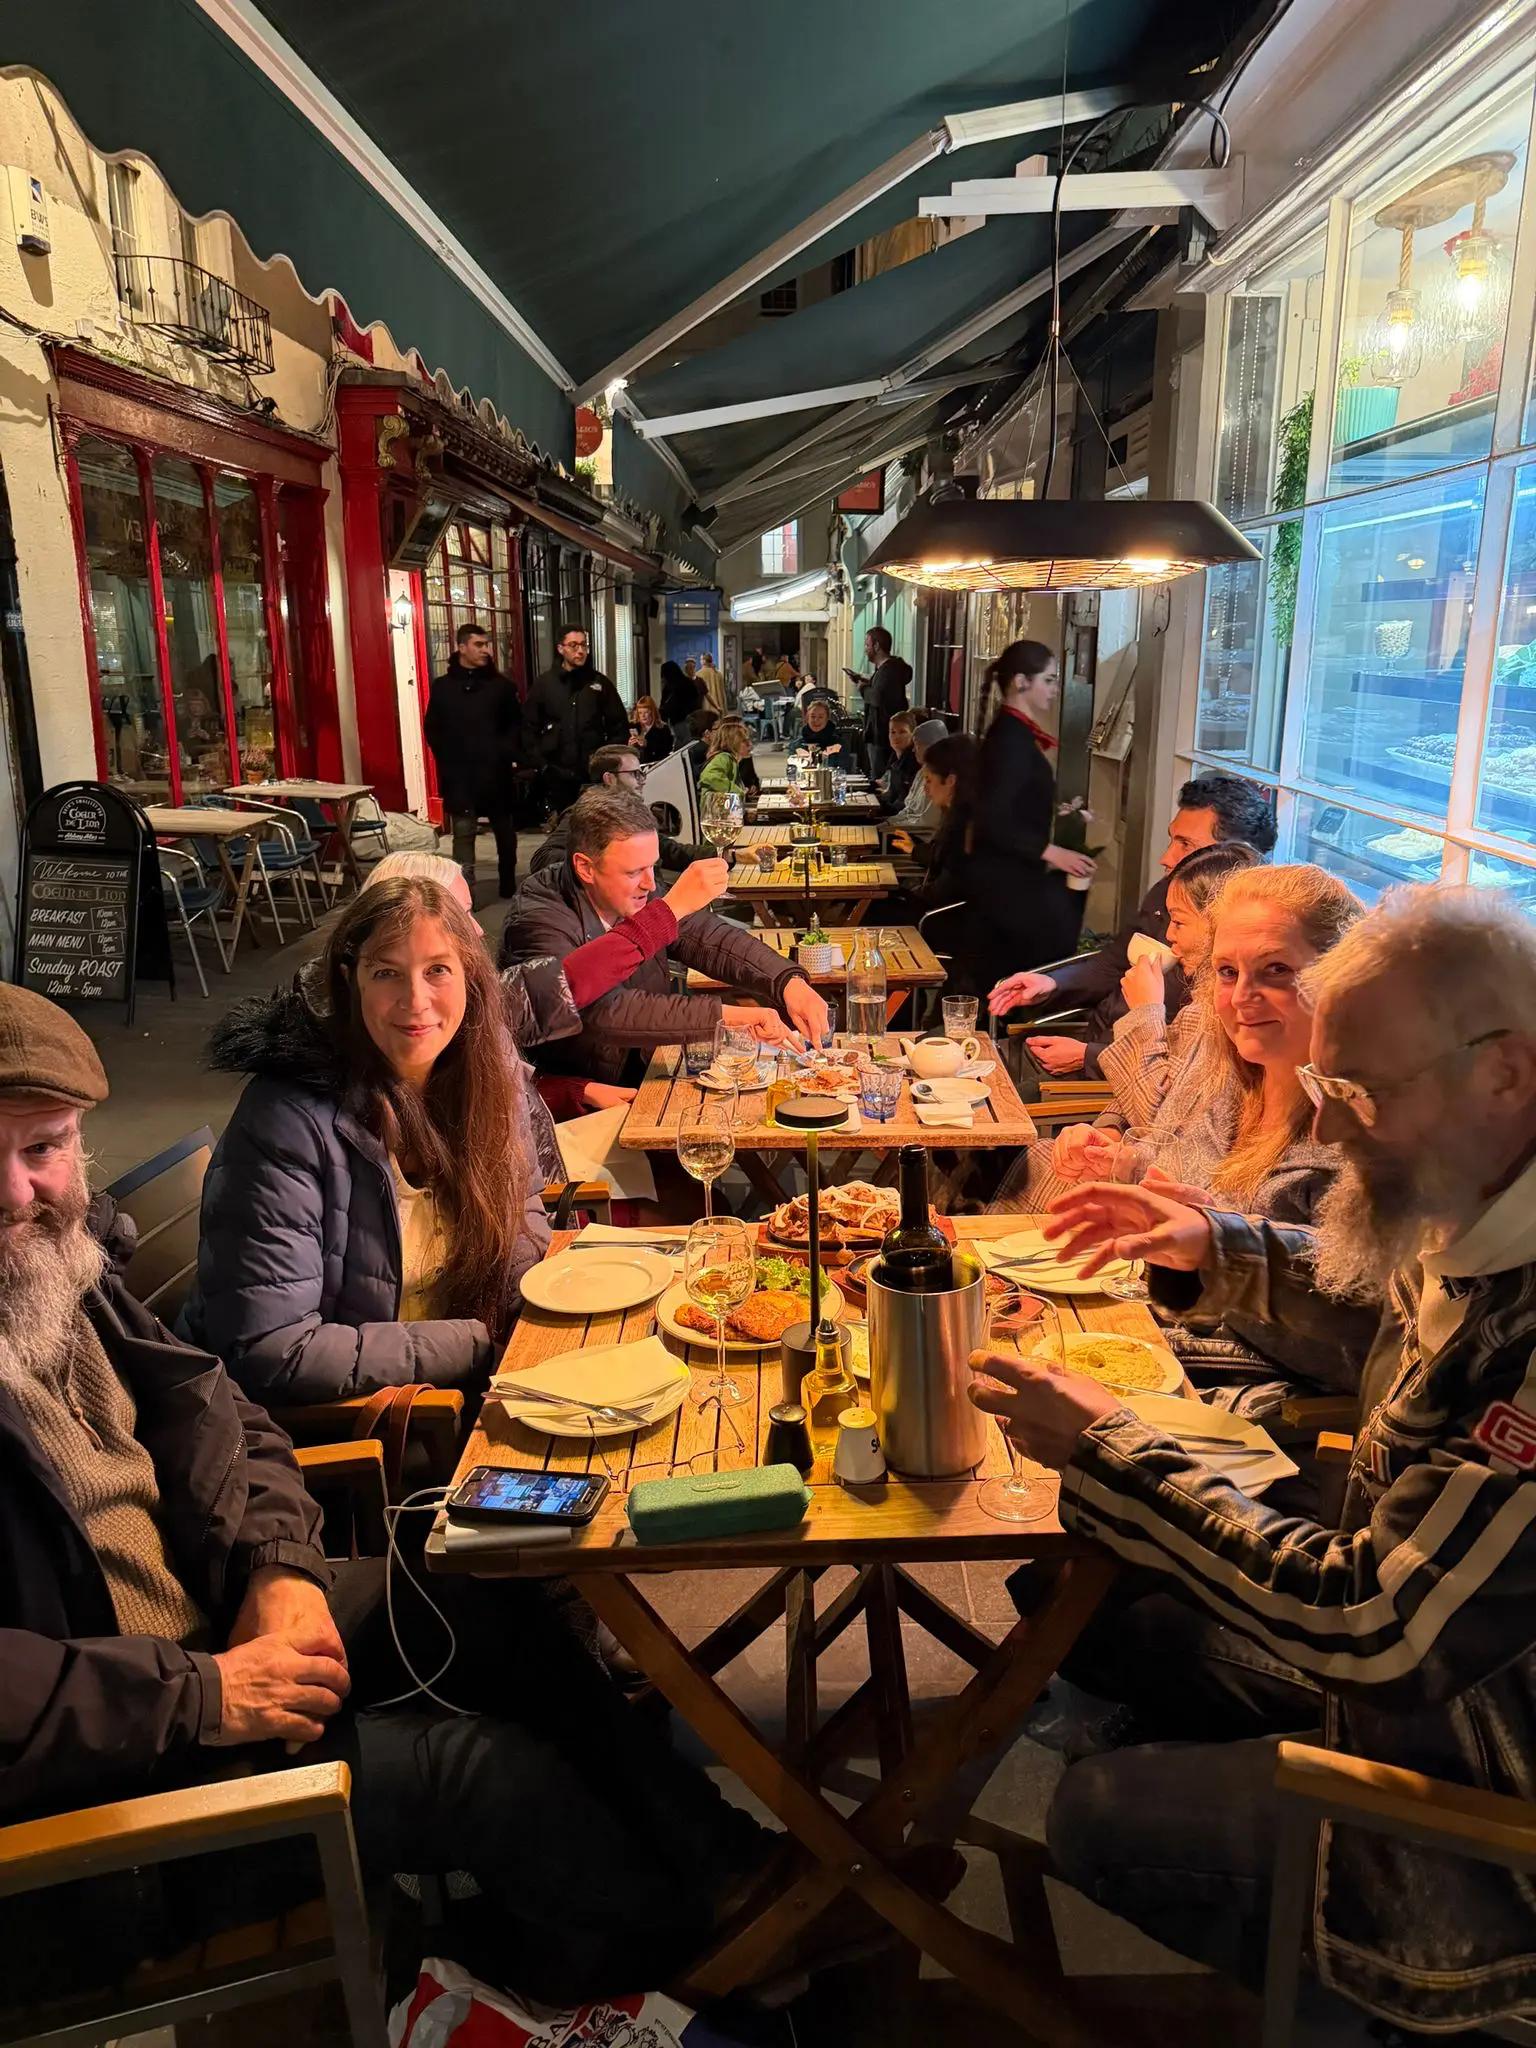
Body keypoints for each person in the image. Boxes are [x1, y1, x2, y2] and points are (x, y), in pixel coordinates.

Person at [0, 984, 833, 2006]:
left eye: (42, 1148)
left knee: (489, 1588)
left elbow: (212, 1406)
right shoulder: (285, 1118)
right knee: (480, 1770)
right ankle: (712, 1967)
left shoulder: (62, 1271)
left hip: (204, 1638)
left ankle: (730, 1871)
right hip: (94, 1812)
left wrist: (278, 1565)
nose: (17, 1191)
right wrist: (205, 1693)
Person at [974, 884, 1536, 2039]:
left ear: (1507, 1072)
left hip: (1487, 1811)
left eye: (1363, 1093)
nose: (1329, 1128)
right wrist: (1213, 1243)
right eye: (1332, 1088)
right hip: (1432, 1689)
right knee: (1116, 1614)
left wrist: (1117, 1453)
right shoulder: (1479, 1195)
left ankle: (1392, 2006)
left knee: (1092, 1811)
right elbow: (1372, 1301)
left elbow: (1375, 1627)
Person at [1009, 864, 1367, 1417]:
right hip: (1146, 1323)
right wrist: (1127, 1163)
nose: (1243, 996)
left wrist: (1211, 1246)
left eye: (1276, 970)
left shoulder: (1364, 1131)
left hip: (1226, 1391)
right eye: (1227, 972)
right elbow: (1180, 1180)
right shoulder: (1233, 1073)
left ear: (1341, 977)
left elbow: (1358, 1335)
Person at [183, 878, 553, 1404]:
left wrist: (532, 1308)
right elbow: (270, 1348)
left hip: (467, 1381)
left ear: (471, 976)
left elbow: (520, 1206)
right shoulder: (286, 1118)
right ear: (349, 980)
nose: (416, 1001)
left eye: (437, 971)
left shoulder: (488, 1076)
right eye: (386, 973)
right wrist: (476, 1341)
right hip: (348, 1431)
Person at [502, 788, 830, 1089]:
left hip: (646, 1068)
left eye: (653, 867)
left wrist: (787, 982)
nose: (649, 884)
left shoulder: (632, 889)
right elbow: (604, 1012)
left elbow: (705, 935)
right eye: (633, 872)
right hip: (583, 1097)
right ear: (585, 868)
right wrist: (731, 1017)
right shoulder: (538, 916)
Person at [992, 771, 1279, 1080]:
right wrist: (1052, 983)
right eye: (1172, 838)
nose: (1166, 857)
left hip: (1118, 1075)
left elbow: (1189, 1068)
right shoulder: (1168, 890)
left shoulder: (1242, 953)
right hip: (1091, 1037)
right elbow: (1113, 962)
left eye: (1185, 844)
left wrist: (1089, 1056)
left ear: (1232, 855)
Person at [1022, 839, 1262, 1187]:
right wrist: (1109, 1130)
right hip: (1134, 1149)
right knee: (1039, 1158)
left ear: (1217, 924)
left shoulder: (1226, 1019)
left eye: (1179, 923)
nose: (1167, 935)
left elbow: (1162, 1116)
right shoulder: (1198, 1006)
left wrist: (1145, 1013)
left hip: (1168, 1180)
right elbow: (1145, 1103)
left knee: (1034, 1163)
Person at [967, 640, 1095, 991]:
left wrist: (1063, 814)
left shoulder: (1012, 732)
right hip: (1006, 885)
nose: (1055, 690)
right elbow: (993, 818)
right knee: (1021, 973)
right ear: (1022, 681)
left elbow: (1010, 802)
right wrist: (1052, 851)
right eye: (1050, 680)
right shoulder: (1010, 738)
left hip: (1007, 877)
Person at [422, 621, 522, 899]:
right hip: (460, 776)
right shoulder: (443, 687)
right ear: (462, 647)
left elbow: (515, 724)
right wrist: (448, 757)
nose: (485, 650)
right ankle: (465, 890)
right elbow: (433, 727)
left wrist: (506, 753)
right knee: (463, 834)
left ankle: (507, 883)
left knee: (504, 832)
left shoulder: (500, 687)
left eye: (486, 644)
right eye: (478, 644)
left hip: (495, 773)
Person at [531, 744, 709, 879]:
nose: (642, 780)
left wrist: (725, 855)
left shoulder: (628, 811)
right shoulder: (585, 813)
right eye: (634, 774)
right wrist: (607, 865)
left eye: (642, 773)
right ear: (609, 779)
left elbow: (670, 850)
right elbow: (542, 858)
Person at [524, 624, 628, 816]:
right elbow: (528, 727)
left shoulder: (599, 683)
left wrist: (605, 759)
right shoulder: (544, 685)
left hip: (593, 774)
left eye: (583, 645)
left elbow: (619, 725)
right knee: (566, 830)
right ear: (560, 648)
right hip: (557, 774)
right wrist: (542, 764)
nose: (580, 651)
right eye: (573, 645)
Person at [850, 626, 911, 780]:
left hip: (882, 737)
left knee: (880, 779)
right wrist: (866, 681)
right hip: (881, 735)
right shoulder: (886, 671)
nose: (865, 649)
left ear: (876, 646)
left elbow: (878, 697)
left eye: (867, 645)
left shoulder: (888, 671)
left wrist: (863, 688)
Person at [885, 716, 949, 848]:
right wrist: (887, 823)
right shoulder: (922, 771)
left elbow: (926, 823)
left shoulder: (941, 778)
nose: (913, 750)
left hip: (918, 839)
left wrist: (887, 828)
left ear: (932, 747)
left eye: (917, 745)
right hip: (905, 830)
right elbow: (908, 809)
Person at [698, 715, 754, 796]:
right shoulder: (723, 758)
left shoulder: (730, 759)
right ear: (733, 743)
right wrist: (737, 791)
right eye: (744, 741)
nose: (750, 744)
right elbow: (709, 777)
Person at [878, 710, 920, 813]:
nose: (896, 736)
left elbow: (904, 802)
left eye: (902, 732)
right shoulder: (894, 758)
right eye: (892, 732)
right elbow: (890, 792)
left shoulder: (913, 763)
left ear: (912, 735)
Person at [659, 659, 701, 747]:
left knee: (681, 742)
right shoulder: (688, 683)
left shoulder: (670, 686)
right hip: (687, 719)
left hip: (679, 720)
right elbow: (696, 700)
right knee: (686, 744)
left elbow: (664, 703)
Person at [631, 693, 671, 764]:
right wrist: (629, 746)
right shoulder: (634, 726)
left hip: (654, 765)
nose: (643, 716)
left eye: (646, 712)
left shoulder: (663, 729)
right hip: (636, 764)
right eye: (640, 713)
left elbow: (665, 753)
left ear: (652, 712)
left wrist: (647, 745)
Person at [697, 648, 727, 716]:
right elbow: (723, 693)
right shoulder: (719, 674)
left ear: (704, 661)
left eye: (701, 659)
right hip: (719, 707)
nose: (700, 661)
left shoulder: (699, 674)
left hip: (706, 706)